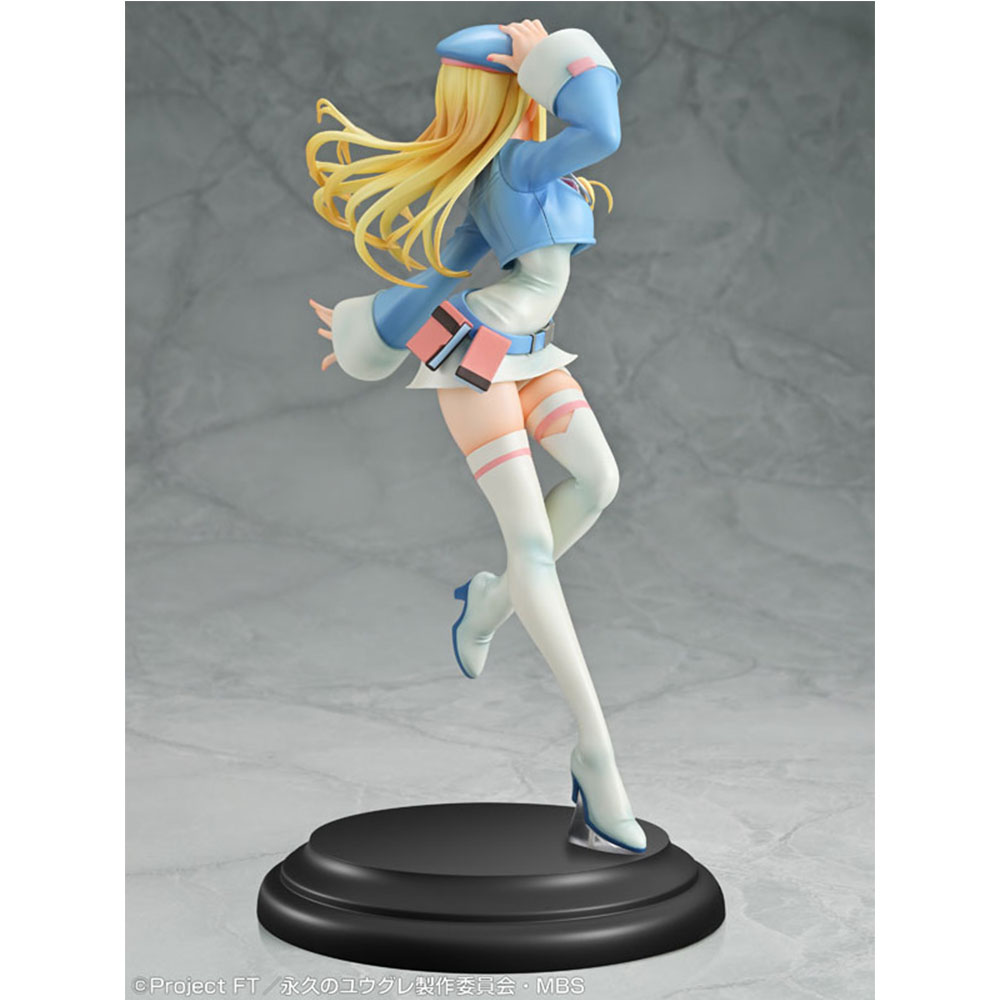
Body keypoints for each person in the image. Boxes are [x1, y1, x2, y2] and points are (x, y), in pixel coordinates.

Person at [307, 20, 647, 854]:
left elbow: (443, 269)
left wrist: (377, 328)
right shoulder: (520, 166)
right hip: (476, 359)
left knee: (599, 483)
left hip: (531, 355)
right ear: (512, 87)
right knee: (532, 549)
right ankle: (596, 756)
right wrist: (554, 53)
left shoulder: (520, 170)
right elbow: (603, 128)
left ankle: (487, 604)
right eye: (520, 74)